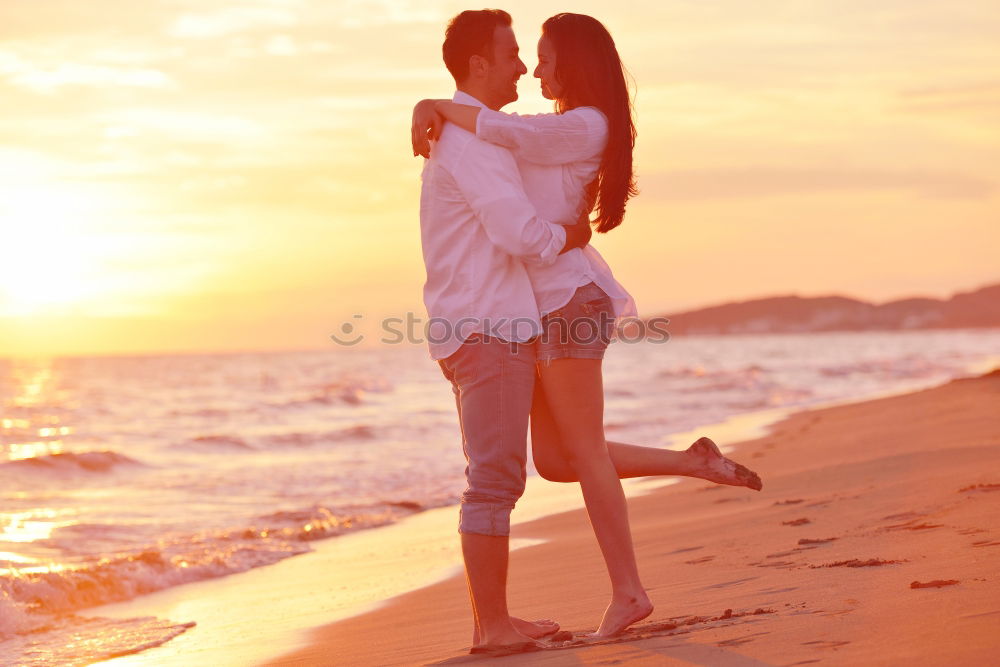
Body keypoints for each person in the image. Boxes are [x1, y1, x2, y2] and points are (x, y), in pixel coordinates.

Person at [412, 12, 763, 639]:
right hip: (539, 305)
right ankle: (692, 461)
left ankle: (628, 592)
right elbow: (499, 132)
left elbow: (498, 130)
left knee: (585, 451)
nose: (533, 67)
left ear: (572, 62)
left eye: (543, 57)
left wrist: (436, 103)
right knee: (555, 459)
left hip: (570, 300)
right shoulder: (552, 127)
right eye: (525, 55)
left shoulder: (584, 126)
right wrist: (432, 103)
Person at [417, 9, 595, 656]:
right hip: (487, 328)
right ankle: (491, 626)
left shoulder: (467, 134)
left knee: (499, 475)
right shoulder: (471, 144)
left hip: (487, 324)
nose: (522, 64)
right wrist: (571, 235)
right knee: (493, 478)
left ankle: (494, 618)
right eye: (512, 53)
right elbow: (519, 232)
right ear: (478, 66)